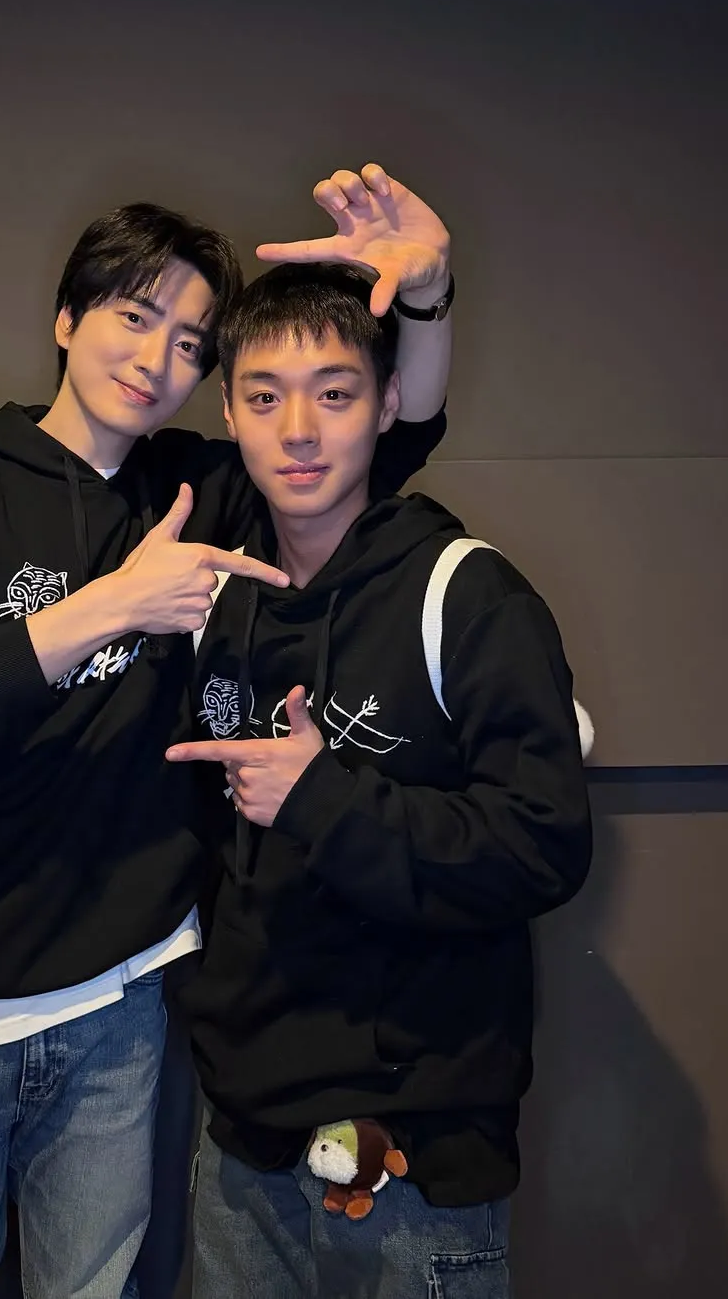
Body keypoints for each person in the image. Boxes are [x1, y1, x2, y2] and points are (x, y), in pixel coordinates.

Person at [0, 165, 454, 1299]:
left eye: (191, 342)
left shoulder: (198, 487)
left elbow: (384, 443)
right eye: (134, 315)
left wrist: (428, 296)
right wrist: (109, 606)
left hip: (119, 1009)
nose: (157, 357)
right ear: (67, 318)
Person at [167, 262, 593, 1298]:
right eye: (264, 397)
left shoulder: (467, 592)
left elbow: (542, 843)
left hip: (419, 1157)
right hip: (244, 1146)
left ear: (389, 402)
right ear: (229, 413)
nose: (298, 431)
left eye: (335, 393)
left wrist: (322, 798)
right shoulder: (214, 600)